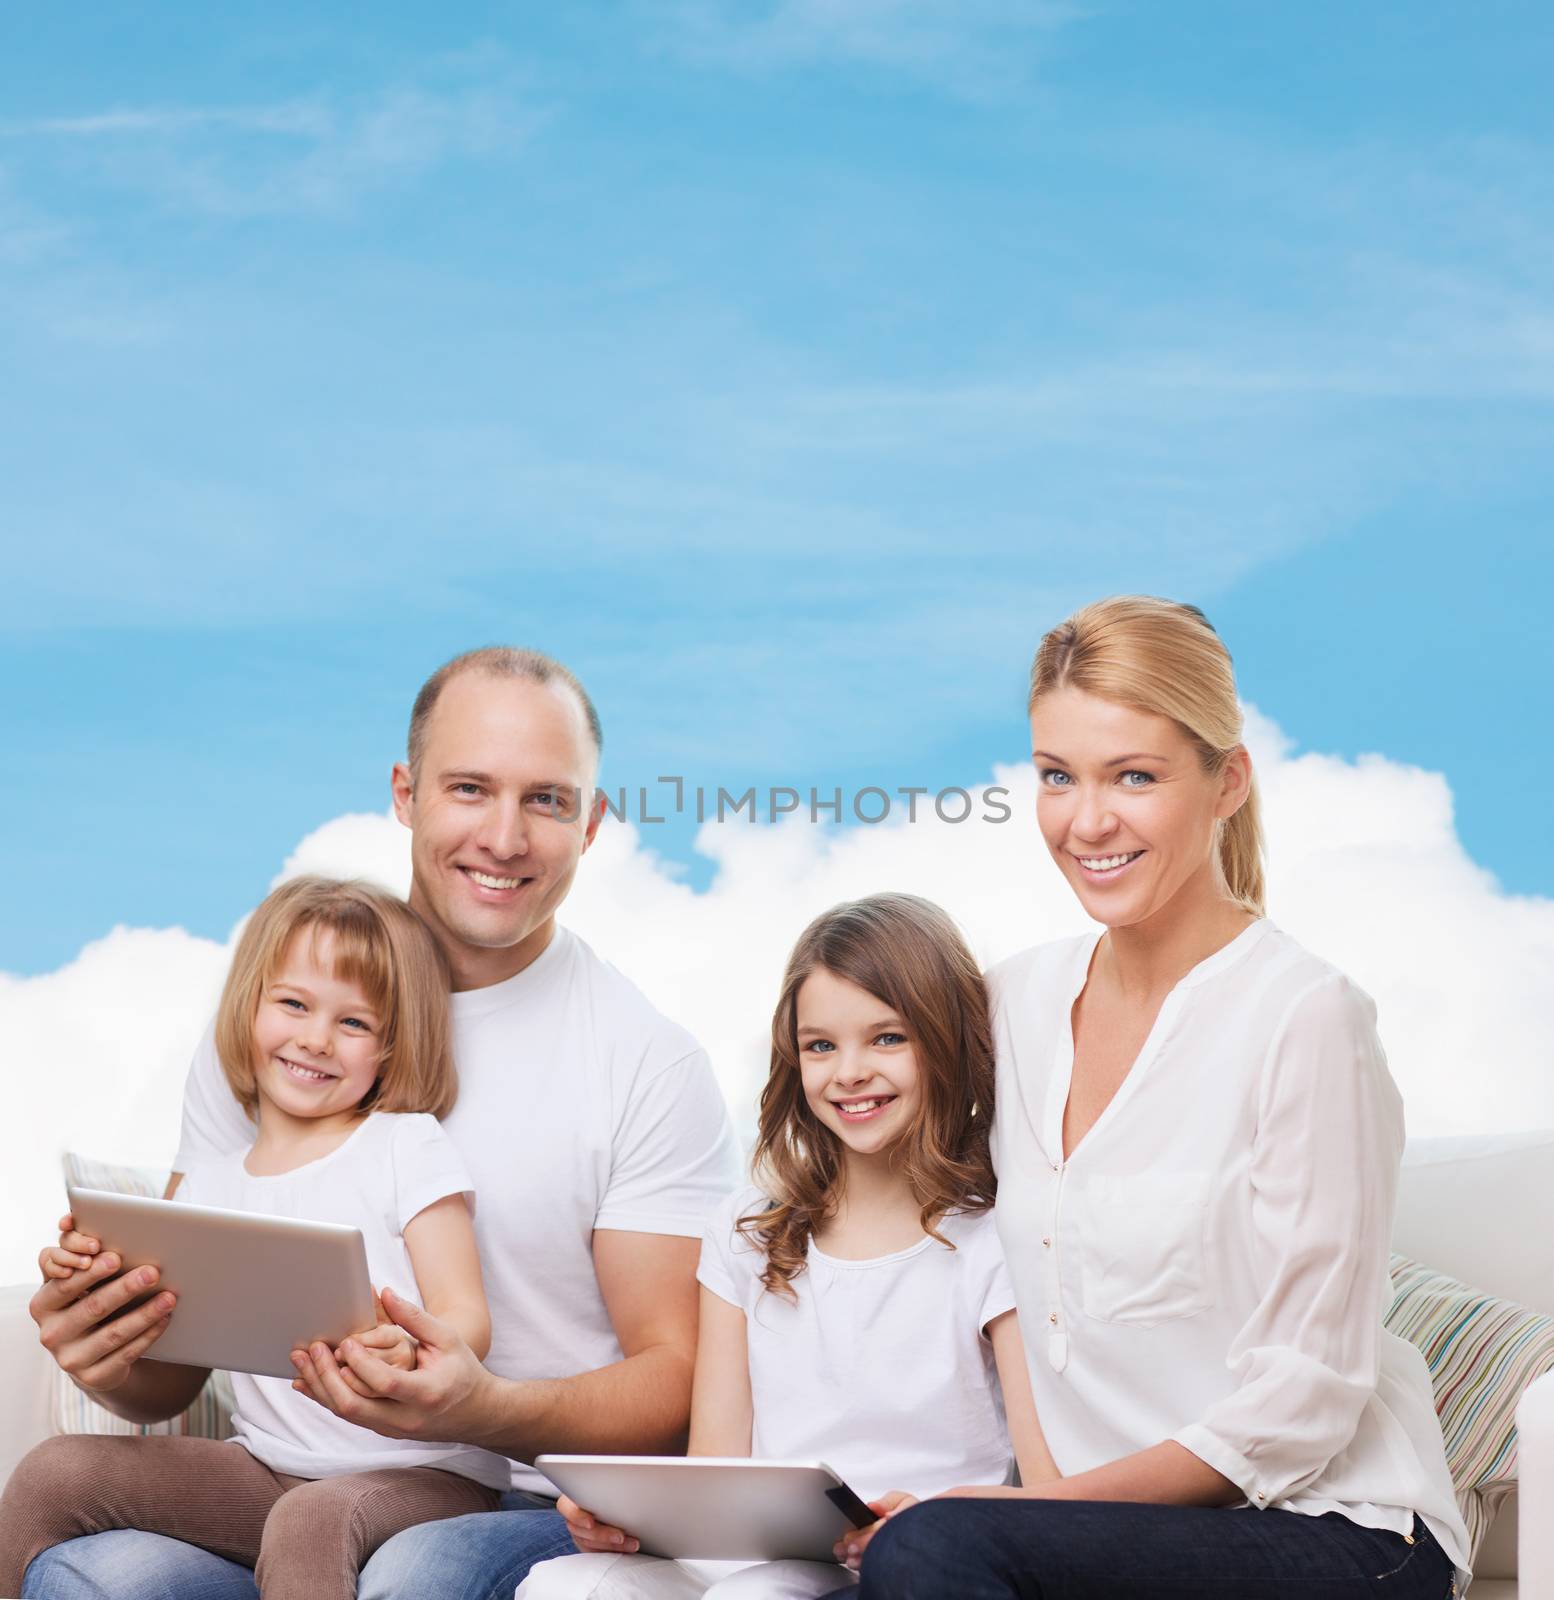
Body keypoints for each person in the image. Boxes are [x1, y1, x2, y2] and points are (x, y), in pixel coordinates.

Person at [24, 647, 741, 1600]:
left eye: (547, 801)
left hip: (527, 1500)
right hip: (284, 1485)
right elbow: (179, 1364)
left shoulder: (645, 1060)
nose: (504, 836)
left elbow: (679, 1380)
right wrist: (112, 1350)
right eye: (470, 788)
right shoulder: (276, 1036)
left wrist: (490, 1407)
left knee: (405, 1571)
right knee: (93, 1574)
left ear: (594, 822)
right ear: (405, 793)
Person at [835, 597, 1471, 1600]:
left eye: (1135, 775)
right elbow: (895, 1242)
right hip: (1096, 1533)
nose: (1087, 821)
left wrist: (1027, 1512)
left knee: (937, 1552)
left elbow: (1303, 1404)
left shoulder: (1306, 1017)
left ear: (1227, 783)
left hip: (1331, 1532)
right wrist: (715, 1487)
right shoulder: (1013, 1005)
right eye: (1057, 776)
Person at [519, 893, 1058, 1600]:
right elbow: (716, 1467)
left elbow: (1049, 1488)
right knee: (563, 1585)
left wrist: (927, 1525)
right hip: (757, 1563)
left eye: (888, 1038)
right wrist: (624, 1522)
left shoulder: (994, 1236)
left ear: (947, 1041)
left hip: (913, 1565)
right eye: (821, 1045)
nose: (850, 1071)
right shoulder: (746, 1230)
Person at [2, 876, 514, 1598]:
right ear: (250, 1007)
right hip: (267, 1470)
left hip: (424, 1475)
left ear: (391, 1049)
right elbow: (171, 1372)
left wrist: (411, 1345)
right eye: (294, 1005)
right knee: (52, 1472)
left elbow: (468, 1319)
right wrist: (101, 1315)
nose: (314, 1039)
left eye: (354, 1023)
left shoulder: (404, 1145)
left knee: (310, 1520)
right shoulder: (210, 1184)